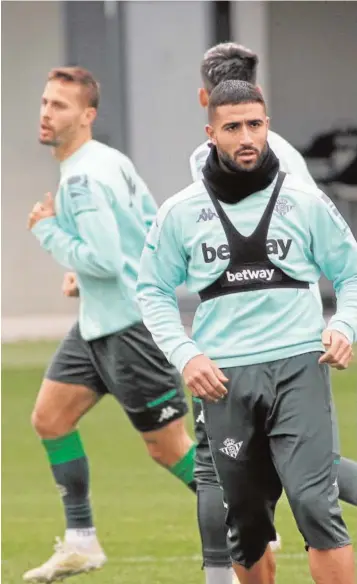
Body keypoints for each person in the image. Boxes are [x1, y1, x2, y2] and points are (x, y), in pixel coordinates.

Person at [137, 80, 357, 584]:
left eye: (254, 125)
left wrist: (343, 323)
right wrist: (187, 356)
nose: (246, 137)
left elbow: (350, 272)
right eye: (232, 127)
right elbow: (150, 290)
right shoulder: (180, 212)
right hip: (224, 380)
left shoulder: (304, 201)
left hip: (301, 367)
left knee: (315, 507)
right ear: (210, 133)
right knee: (247, 523)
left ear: (267, 127)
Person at [24, 67, 196, 583]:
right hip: (98, 321)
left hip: (130, 329)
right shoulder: (108, 162)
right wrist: (91, 277)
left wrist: (48, 231)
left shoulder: (81, 179)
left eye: (60, 106)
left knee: (167, 448)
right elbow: (142, 232)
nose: (47, 113)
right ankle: (81, 542)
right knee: (50, 418)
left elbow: (102, 256)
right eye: (45, 102)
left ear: (88, 115)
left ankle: (243, 517)